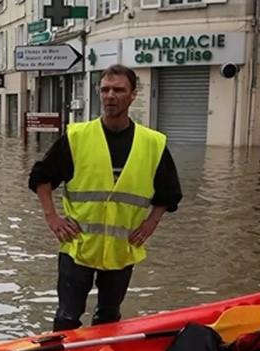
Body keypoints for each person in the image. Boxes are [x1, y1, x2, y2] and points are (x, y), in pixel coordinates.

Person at [28, 64, 182, 332]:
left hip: (122, 249)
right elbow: (41, 177)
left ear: (133, 94)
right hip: (78, 245)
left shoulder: (152, 143)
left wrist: (151, 222)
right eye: (105, 90)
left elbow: (168, 192)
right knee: (67, 316)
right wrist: (52, 218)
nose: (111, 95)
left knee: (109, 317)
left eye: (119, 90)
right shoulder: (78, 136)